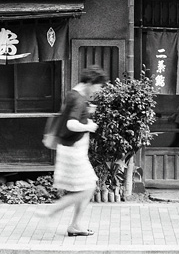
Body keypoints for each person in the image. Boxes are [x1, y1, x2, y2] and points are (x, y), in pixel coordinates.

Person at [43, 65, 107, 236]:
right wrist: (89, 125)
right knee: (87, 188)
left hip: (70, 149)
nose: (98, 91)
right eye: (98, 87)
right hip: (73, 151)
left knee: (85, 188)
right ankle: (52, 211)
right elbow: (71, 124)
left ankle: (75, 225)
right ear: (91, 82)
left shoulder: (73, 94)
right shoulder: (78, 100)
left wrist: (87, 112)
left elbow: (71, 115)